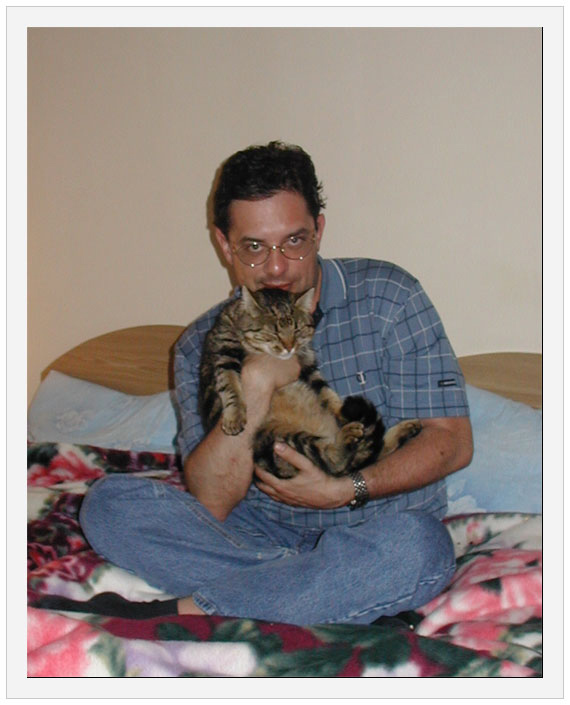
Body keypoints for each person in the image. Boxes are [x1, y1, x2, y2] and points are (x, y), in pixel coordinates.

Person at [79, 141, 473, 626]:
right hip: (256, 532)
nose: (277, 267)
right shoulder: (199, 343)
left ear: (319, 230)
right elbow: (212, 502)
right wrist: (257, 382)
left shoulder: (390, 297)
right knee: (108, 507)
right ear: (225, 245)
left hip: (377, 527)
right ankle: (323, 592)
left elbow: (452, 443)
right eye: (254, 247)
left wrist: (345, 489)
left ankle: (187, 612)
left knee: (420, 547)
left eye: (294, 241)